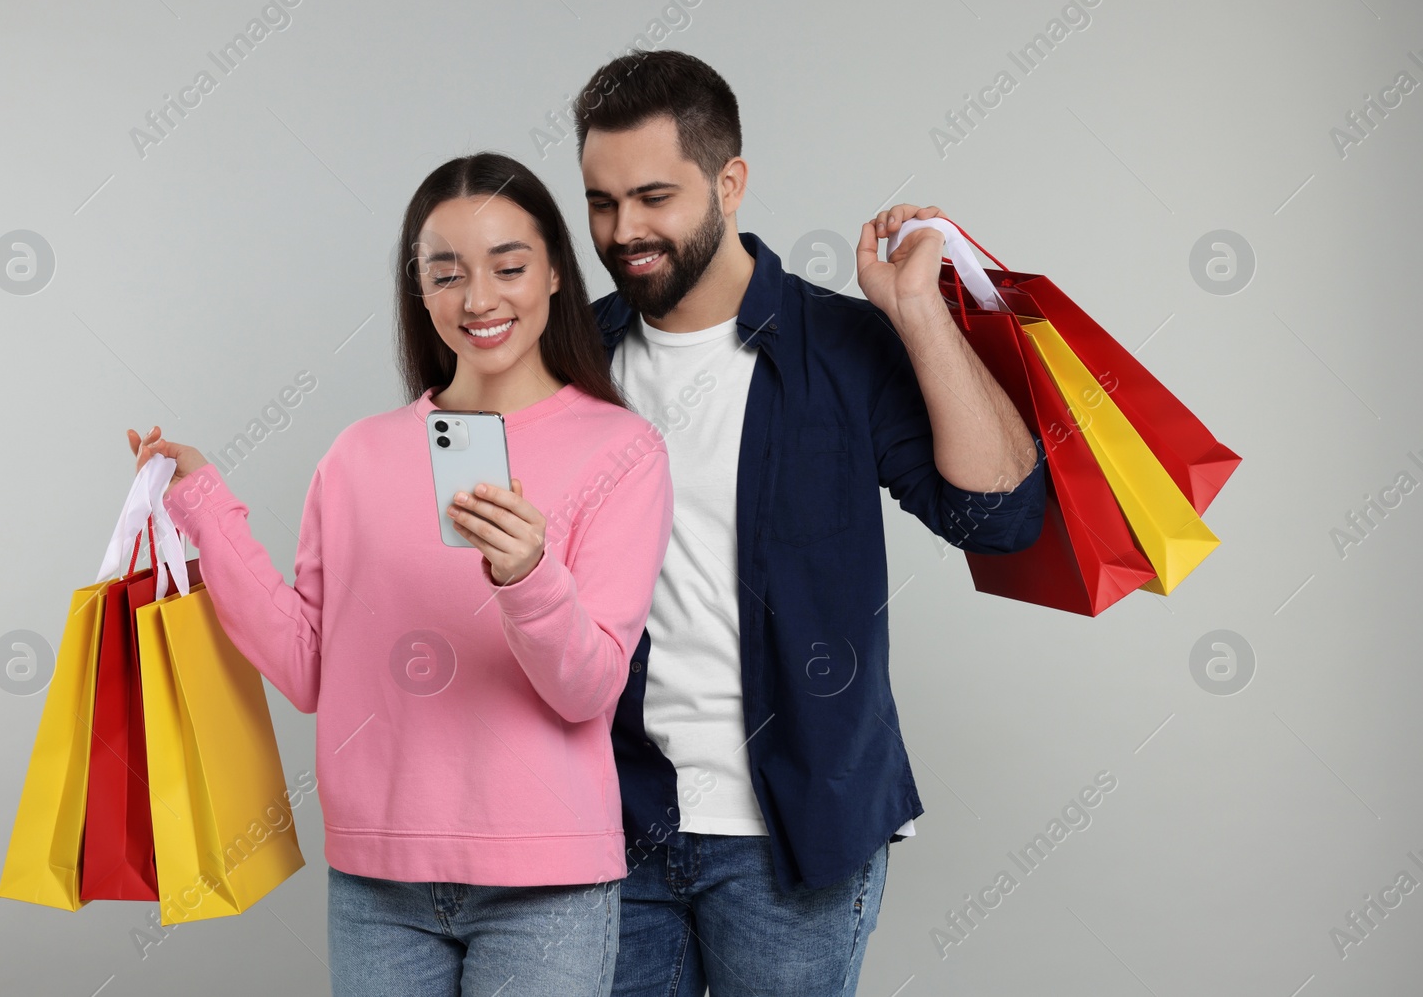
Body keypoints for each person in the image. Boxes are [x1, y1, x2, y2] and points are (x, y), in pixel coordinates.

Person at [126, 152, 673, 997]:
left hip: (548, 882)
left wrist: (527, 574)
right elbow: (310, 667)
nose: (479, 298)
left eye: (509, 266)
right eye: (445, 272)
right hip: (377, 879)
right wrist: (204, 506)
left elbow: (587, 688)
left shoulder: (621, 452)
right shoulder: (360, 456)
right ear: (418, 289)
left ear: (557, 271)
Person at [568, 49, 1050, 994]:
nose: (625, 230)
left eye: (654, 196)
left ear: (731, 181)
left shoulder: (840, 345)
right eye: (601, 201)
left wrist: (919, 315)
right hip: (612, 825)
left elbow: (1000, 516)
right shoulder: (573, 360)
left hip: (794, 837)